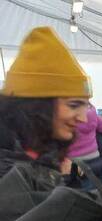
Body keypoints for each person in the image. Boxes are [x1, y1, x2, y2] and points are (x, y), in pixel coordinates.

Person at [0, 26, 90, 186]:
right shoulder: (8, 172)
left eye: (86, 106)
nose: (84, 119)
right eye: (73, 105)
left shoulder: (37, 150)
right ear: (37, 105)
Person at [66, 103, 102, 189]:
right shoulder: (93, 117)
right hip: (93, 159)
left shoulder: (60, 123)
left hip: (74, 166)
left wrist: (82, 169)